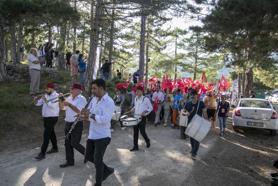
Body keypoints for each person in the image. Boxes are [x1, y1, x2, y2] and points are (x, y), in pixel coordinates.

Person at [82, 79, 115, 186]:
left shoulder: (109, 102)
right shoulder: (93, 99)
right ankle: (107, 170)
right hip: (92, 134)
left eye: (94, 88)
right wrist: (85, 114)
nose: (92, 91)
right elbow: (90, 112)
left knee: (97, 160)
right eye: (92, 88)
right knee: (88, 156)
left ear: (101, 88)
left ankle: (98, 183)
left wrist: (90, 116)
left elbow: (105, 119)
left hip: (103, 136)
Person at [59, 83, 87, 168]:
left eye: (72, 89)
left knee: (74, 143)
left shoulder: (82, 99)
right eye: (71, 89)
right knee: (67, 143)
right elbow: (62, 108)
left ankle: (88, 154)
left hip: (77, 123)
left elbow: (79, 111)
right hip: (67, 122)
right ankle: (70, 161)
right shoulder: (69, 98)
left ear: (78, 91)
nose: (70, 90)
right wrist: (61, 100)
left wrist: (69, 104)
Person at [34, 83, 60, 160]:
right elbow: (39, 104)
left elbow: (53, 106)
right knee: (51, 133)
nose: (46, 90)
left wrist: (45, 100)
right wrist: (36, 100)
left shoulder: (57, 96)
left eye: (47, 89)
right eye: (46, 89)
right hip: (46, 117)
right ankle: (55, 148)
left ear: (52, 89)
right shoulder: (46, 95)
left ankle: (42, 153)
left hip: (53, 117)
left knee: (46, 135)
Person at [129, 85, 152, 151]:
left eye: (138, 91)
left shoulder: (146, 99)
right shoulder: (136, 98)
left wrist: (145, 112)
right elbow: (136, 106)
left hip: (142, 118)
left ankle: (147, 140)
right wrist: (133, 109)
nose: (137, 92)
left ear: (142, 92)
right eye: (136, 91)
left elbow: (150, 108)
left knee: (142, 132)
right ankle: (135, 146)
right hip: (135, 117)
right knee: (135, 132)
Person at [184, 89, 206, 160]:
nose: (193, 96)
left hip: (198, 124)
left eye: (194, 95)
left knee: (197, 139)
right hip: (190, 123)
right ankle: (193, 149)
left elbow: (204, 113)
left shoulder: (201, 103)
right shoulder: (188, 103)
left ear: (197, 95)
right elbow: (184, 112)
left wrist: (206, 116)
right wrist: (186, 113)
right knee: (192, 138)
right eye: (191, 95)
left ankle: (194, 153)